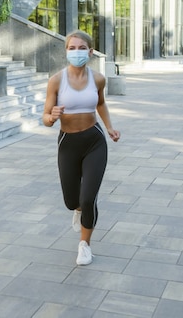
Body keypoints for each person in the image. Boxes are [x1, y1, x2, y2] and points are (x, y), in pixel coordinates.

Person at [42, 30, 121, 265]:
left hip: (94, 141)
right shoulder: (56, 80)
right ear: (66, 51)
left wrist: (109, 127)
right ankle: (78, 210)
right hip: (68, 143)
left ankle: (85, 245)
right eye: (71, 48)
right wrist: (52, 116)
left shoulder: (98, 79)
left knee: (88, 199)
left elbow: (101, 103)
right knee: (71, 201)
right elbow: (45, 117)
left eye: (81, 48)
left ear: (90, 51)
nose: (76, 52)